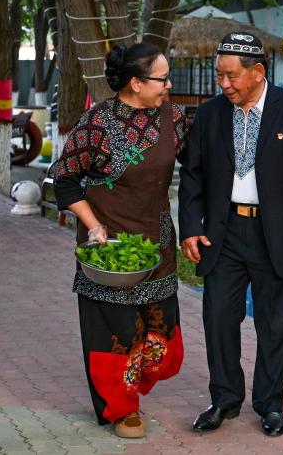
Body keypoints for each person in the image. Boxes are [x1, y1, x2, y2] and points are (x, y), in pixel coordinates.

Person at [178, 30, 283, 437]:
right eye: (219, 75)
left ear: (258, 72)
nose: (224, 84)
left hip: (277, 234)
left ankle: (270, 404)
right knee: (218, 318)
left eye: (232, 75)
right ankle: (225, 399)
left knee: (275, 323)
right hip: (224, 233)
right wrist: (191, 227)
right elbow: (192, 175)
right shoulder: (210, 114)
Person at [54, 42, 188, 439]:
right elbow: (64, 180)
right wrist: (93, 226)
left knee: (164, 344)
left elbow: (200, 167)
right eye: (162, 78)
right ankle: (122, 408)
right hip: (108, 249)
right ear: (135, 82)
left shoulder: (174, 118)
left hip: (157, 245)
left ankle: (135, 383)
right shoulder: (96, 124)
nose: (169, 85)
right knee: (115, 336)